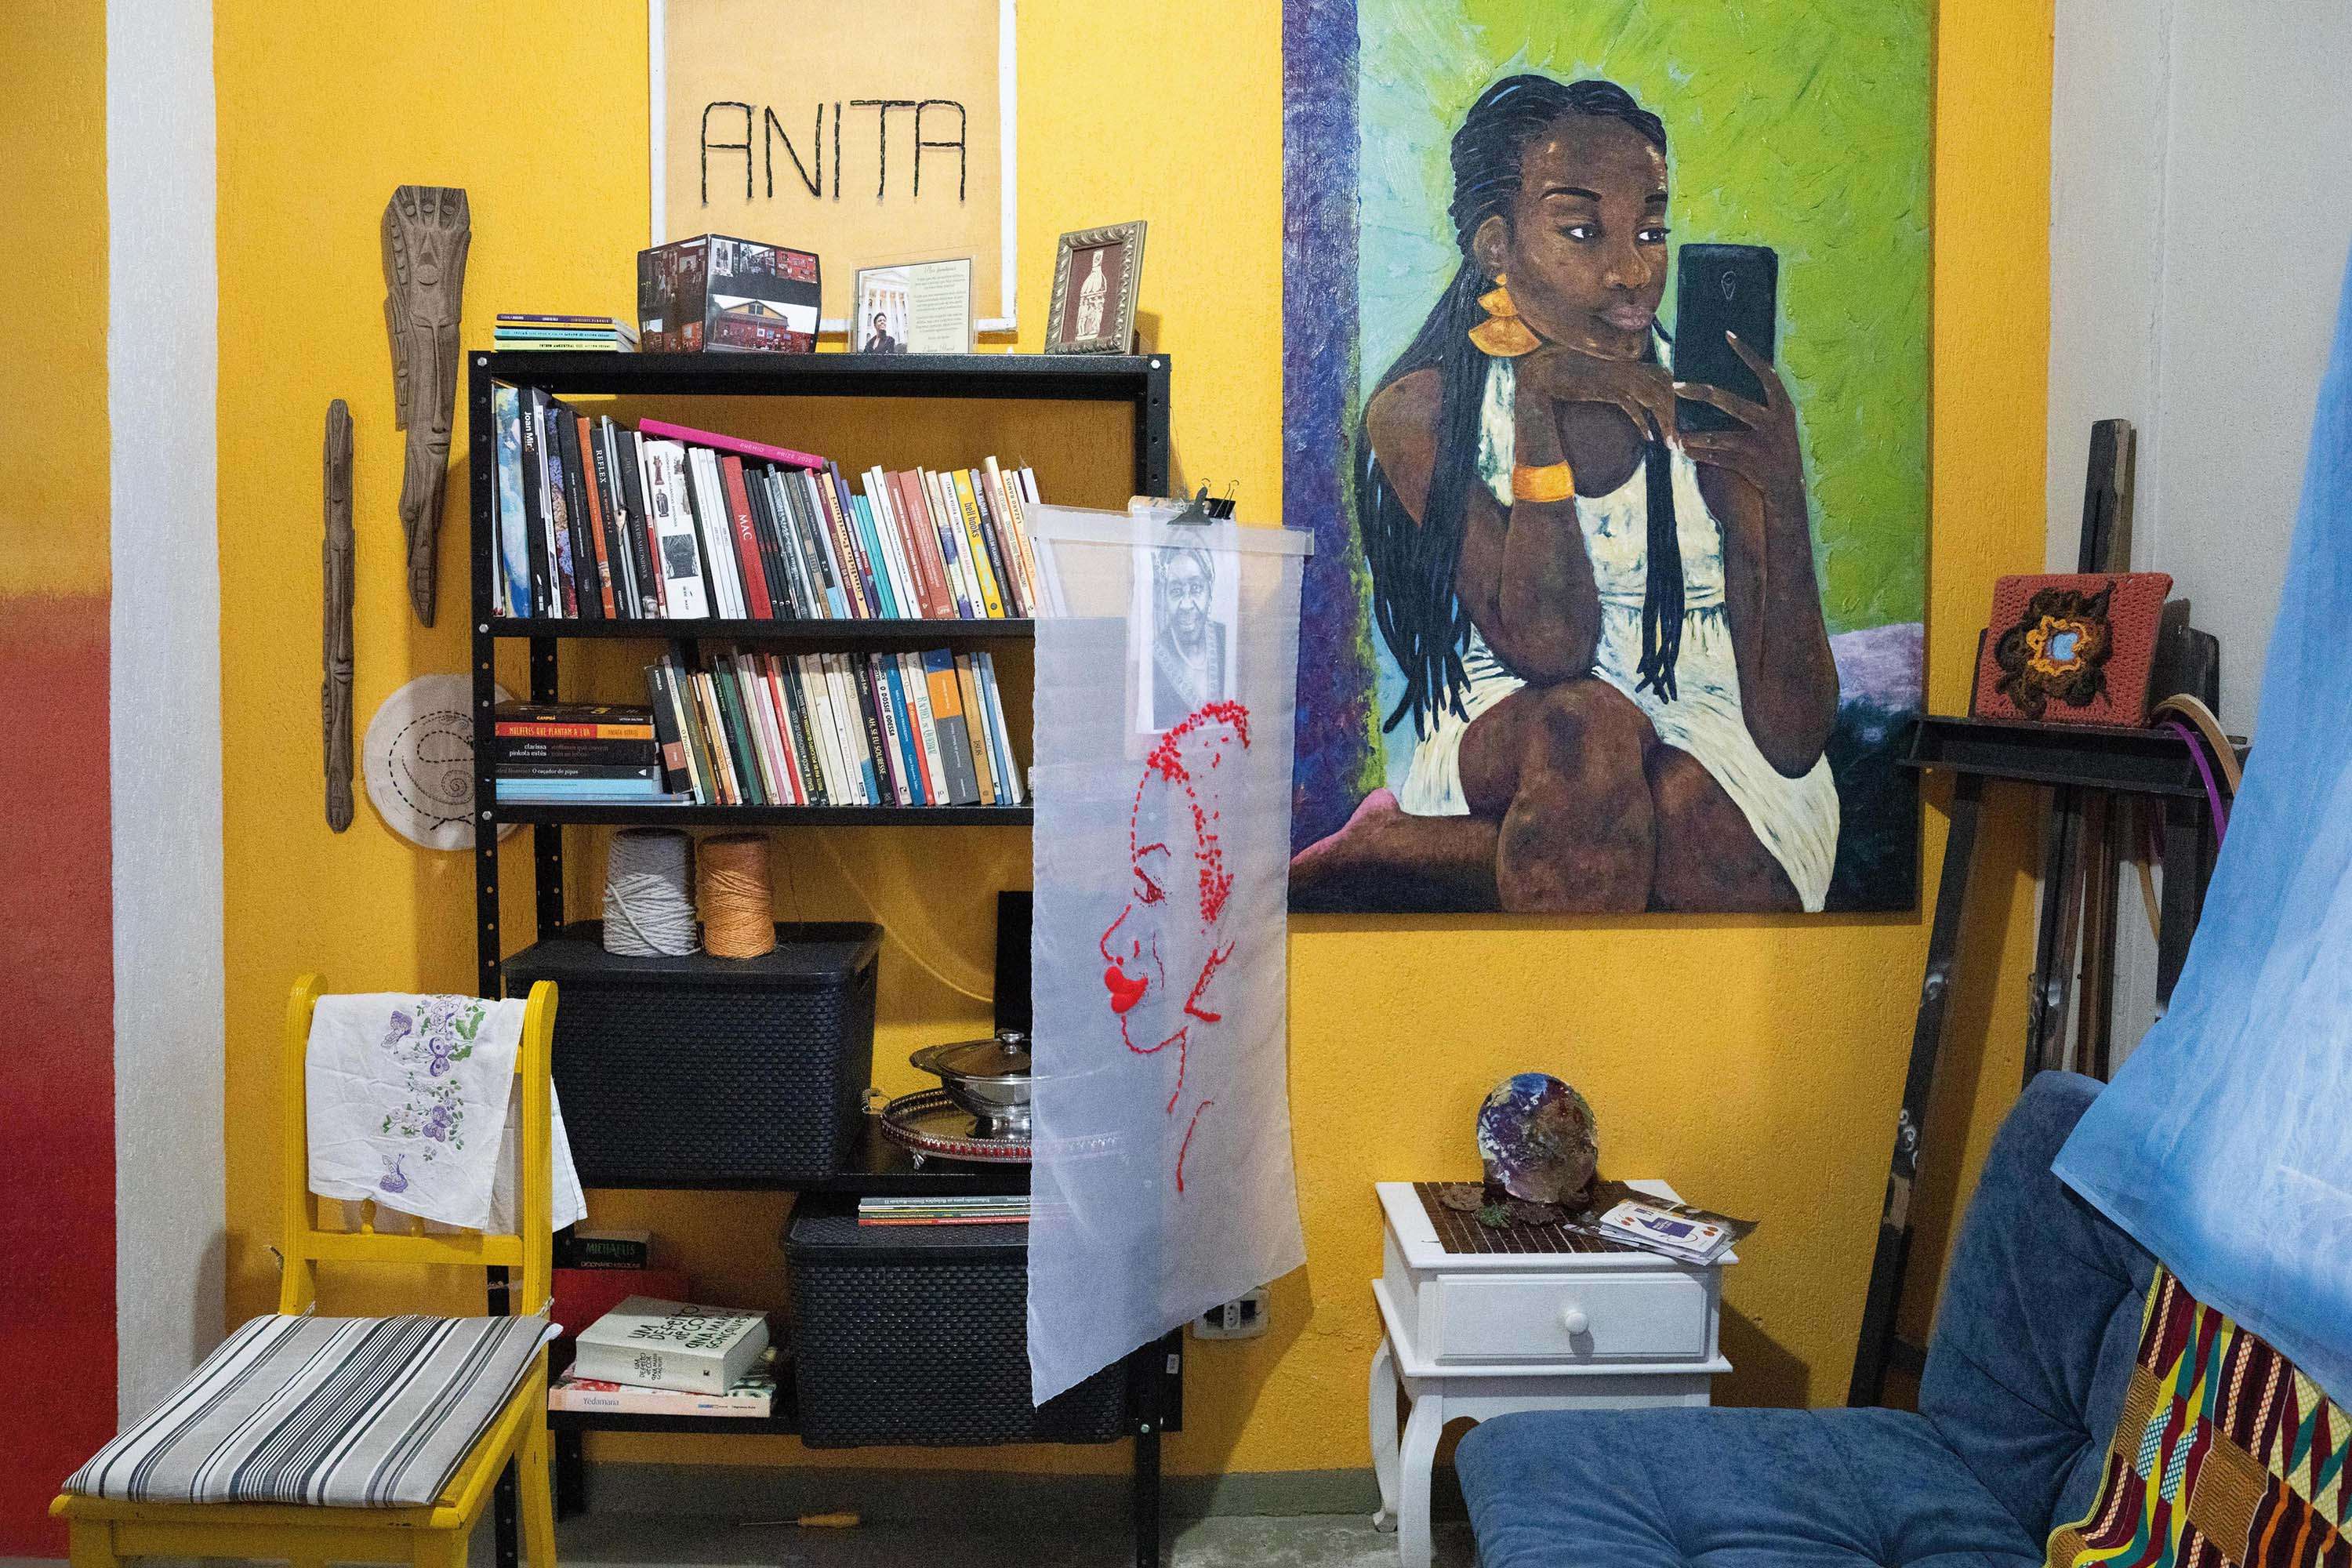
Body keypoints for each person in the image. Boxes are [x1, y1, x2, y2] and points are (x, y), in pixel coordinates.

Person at [1289, 75, 1840, 913]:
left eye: (1651, 231)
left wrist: (1783, 491)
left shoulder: (1710, 412)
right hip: (1517, 724)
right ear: (1496, 245)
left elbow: (1795, 734)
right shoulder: (1423, 413)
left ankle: (1401, 851)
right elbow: (1550, 648)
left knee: (1681, 813)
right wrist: (1538, 407)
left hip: (1719, 734)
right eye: (1583, 232)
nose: (1632, 272)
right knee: (1584, 729)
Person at [1150, 545, 1225, 727]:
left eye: (1196, 588)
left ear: (1210, 592)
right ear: (1164, 597)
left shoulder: (1226, 641)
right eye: (1176, 591)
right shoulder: (1152, 660)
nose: (1186, 605)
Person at [1074, 248, 1109, 339]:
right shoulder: (1091, 280)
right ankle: (1082, 333)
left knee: (1095, 323)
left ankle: (1090, 331)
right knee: (1083, 325)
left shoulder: (1099, 279)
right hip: (1085, 318)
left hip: (1094, 316)